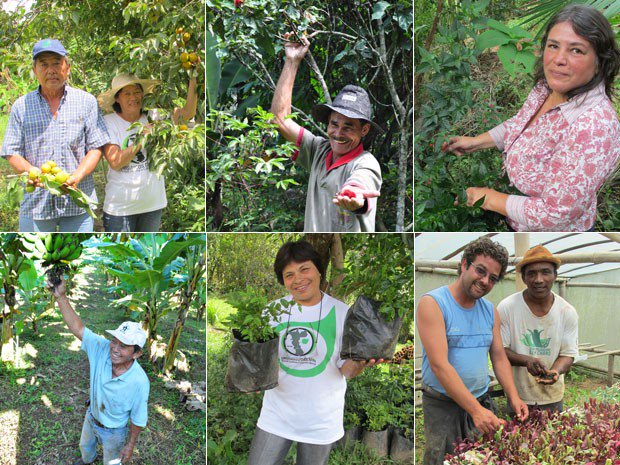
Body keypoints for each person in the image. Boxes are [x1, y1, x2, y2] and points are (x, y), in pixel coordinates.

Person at [442, 5, 620, 231]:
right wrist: (477, 141)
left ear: (600, 63)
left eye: (576, 50)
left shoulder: (593, 128)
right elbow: (522, 124)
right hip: (517, 221)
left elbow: (556, 214)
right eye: (553, 46)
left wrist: (487, 198)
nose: (558, 59)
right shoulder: (547, 87)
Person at [247, 241, 382, 464]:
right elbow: (260, 362)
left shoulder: (342, 313)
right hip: (277, 414)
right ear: (283, 281)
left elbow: (346, 371)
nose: (298, 279)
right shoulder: (272, 312)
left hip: (321, 420)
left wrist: (361, 363)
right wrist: (251, 379)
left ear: (319, 270)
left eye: (304, 269)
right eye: (289, 275)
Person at [416, 237, 528, 465]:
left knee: (482, 457)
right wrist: (475, 410)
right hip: (443, 404)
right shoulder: (434, 304)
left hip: (481, 399)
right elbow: (439, 365)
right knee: (443, 459)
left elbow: (498, 356)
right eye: (480, 270)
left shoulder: (489, 311)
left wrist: (514, 397)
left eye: (493, 278)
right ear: (464, 264)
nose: (485, 281)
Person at [270, 33, 382, 232]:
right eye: (334, 124)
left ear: (364, 130)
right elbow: (279, 119)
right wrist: (292, 60)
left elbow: (361, 181)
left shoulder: (365, 163)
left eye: (348, 127)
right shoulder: (318, 150)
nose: (338, 133)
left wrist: (354, 195)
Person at [1, 38, 110, 232]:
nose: (51, 70)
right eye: (44, 64)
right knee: (34, 260)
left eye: (56, 63)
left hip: (78, 204)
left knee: (78, 257)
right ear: (35, 70)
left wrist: (77, 176)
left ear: (67, 68)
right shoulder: (21, 106)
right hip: (37, 205)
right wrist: (35, 175)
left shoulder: (86, 102)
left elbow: (95, 148)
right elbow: (12, 151)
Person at [47, 276, 149, 465]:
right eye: (114, 341)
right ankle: (88, 460)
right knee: (85, 447)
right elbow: (78, 328)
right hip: (92, 416)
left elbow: (138, 418)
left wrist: (130, 444)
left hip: (115, 430)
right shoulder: (102, 348)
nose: (115, 349)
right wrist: (61, 297)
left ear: (136, 353)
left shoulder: (139, 381)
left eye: (124, 346)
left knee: (111, 461)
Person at [97, 73, 197, 232]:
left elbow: (187, 113)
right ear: (117, 98)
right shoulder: (109, 122)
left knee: (148, 254)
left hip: (152, 206)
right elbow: (115, 162)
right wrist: (141, 138)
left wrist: (193, 80)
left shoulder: (154, 116)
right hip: (120, 209)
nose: (133, 97)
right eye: (127, 94)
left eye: (137, 92)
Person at [498, 245, 578, 413]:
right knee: (517, 438)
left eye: (545, 272)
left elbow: (568, 354)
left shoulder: (567, 312)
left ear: (555, 275)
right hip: (518, 396)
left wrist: (555, 371)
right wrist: (527, 360)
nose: (539, 279)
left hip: (553, 397)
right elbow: (500, 351)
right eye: (532, 273)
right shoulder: (507, 308)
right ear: (523, 277)